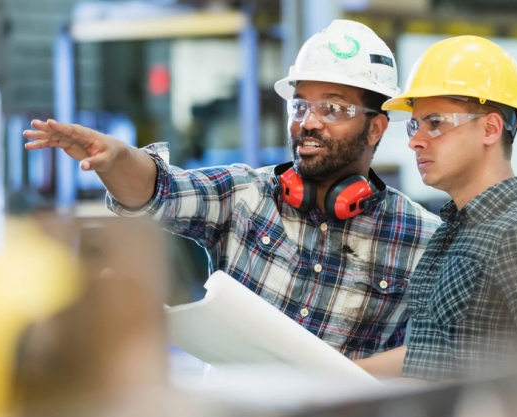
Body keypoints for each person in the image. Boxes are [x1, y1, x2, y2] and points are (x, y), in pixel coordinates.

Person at [22, 20, 441, 360]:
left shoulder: (422, 238)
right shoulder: (245, 195)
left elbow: (431, 359)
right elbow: (158, 189)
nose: (308, 122)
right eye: (300, 105)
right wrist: (115, 158)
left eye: (332, 108)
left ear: (377, 126)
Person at [354, 36, 517, 381]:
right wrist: (332, 373)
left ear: (490, 129)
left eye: (435, 123)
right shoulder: (452, 231)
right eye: (416, 124)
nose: (415, 140)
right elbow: (430, 353)